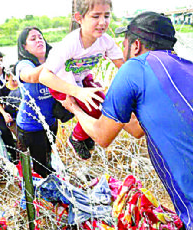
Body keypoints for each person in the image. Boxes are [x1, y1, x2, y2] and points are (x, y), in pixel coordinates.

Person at [61, 11, 193, 229]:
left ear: (135, 45)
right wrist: (105, 98)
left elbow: (102, 135)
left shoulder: (134, 67)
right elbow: (137, 130)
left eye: (124, 42)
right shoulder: (190, 67)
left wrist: (74, 107)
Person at [40, 0, 125, 160]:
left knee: (104, 104)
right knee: (93, 107)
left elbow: (123, 67)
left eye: (106, 16)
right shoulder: (69, 44)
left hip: (82, 78)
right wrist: (76, 92)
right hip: (61, 84)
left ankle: (86, 134)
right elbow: (44, 76)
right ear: (79, 18)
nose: (102, 22)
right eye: (95, 16)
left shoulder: (106, 41)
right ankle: (76, 138)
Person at [15, 27, 58, 178]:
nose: (39, 40)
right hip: (30, 128)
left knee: (48, 161)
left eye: (40, 37)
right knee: (36, 171)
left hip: (51, 122)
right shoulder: (24, 65)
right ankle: (38, 199)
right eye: (33, 39)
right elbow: (30, 76)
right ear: (24, 47)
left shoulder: (54, 62)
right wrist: (58, 60)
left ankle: (52, 195)